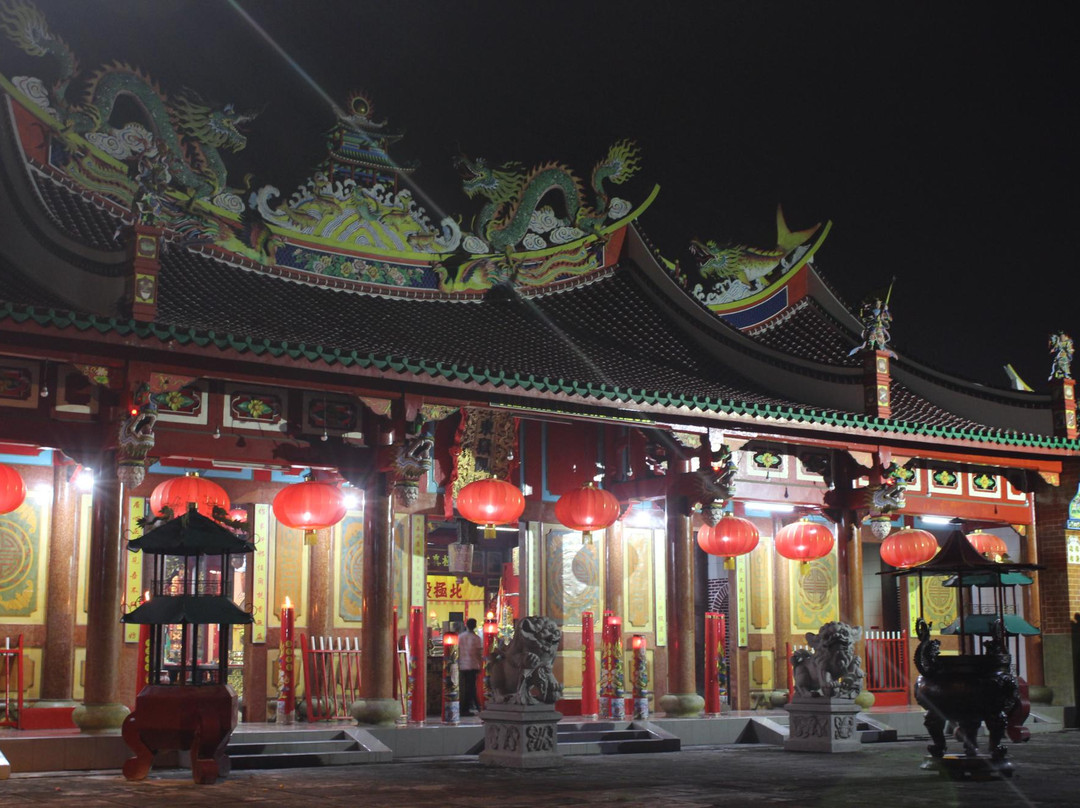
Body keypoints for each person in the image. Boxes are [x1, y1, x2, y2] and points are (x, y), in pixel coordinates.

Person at [458, 618, 483, 716]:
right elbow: (478, 654)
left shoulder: (460, 637)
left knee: (463, 688)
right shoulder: (477, 638)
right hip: (472, 665)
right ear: (475, 626)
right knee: (471, 687)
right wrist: (481, 665)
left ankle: (463, 707)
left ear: (466, 625)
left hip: (462, 665)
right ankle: (468, 708)